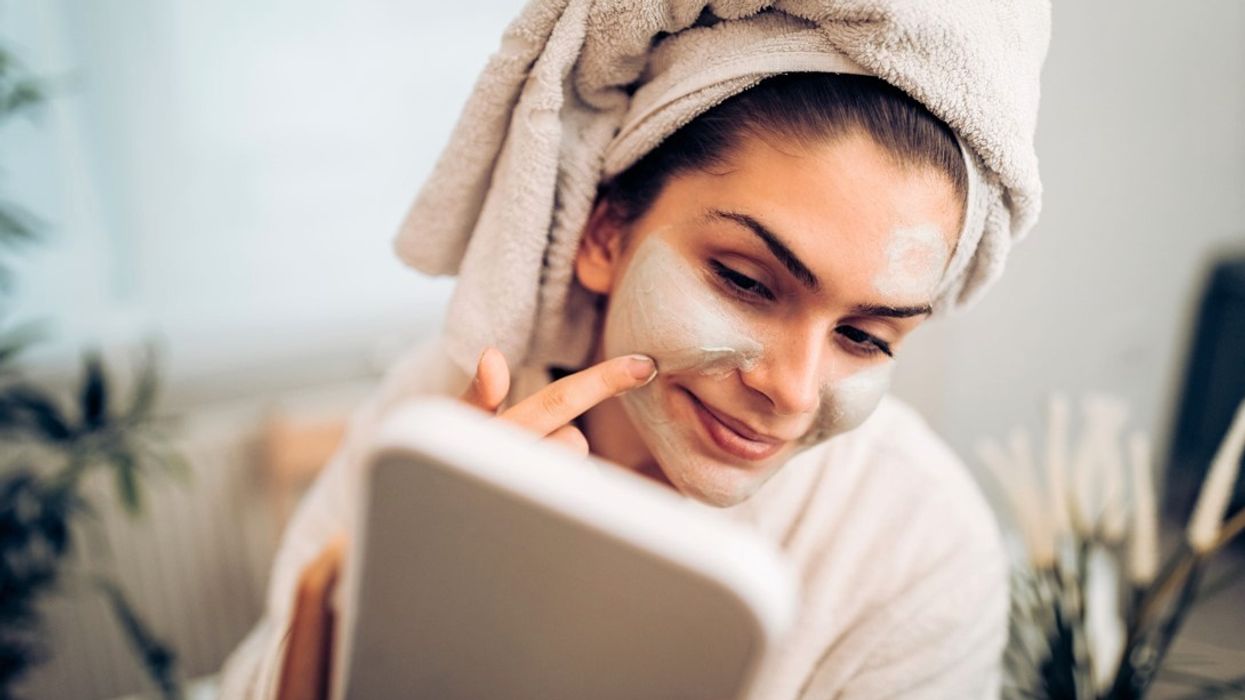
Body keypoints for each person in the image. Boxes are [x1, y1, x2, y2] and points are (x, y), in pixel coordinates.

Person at [221, 2, 1050, 698]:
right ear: (605, 232)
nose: (793, 392)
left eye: (864, 337)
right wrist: (407, 600)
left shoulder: (919, 548)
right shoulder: (439, 414)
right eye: (745, 281)